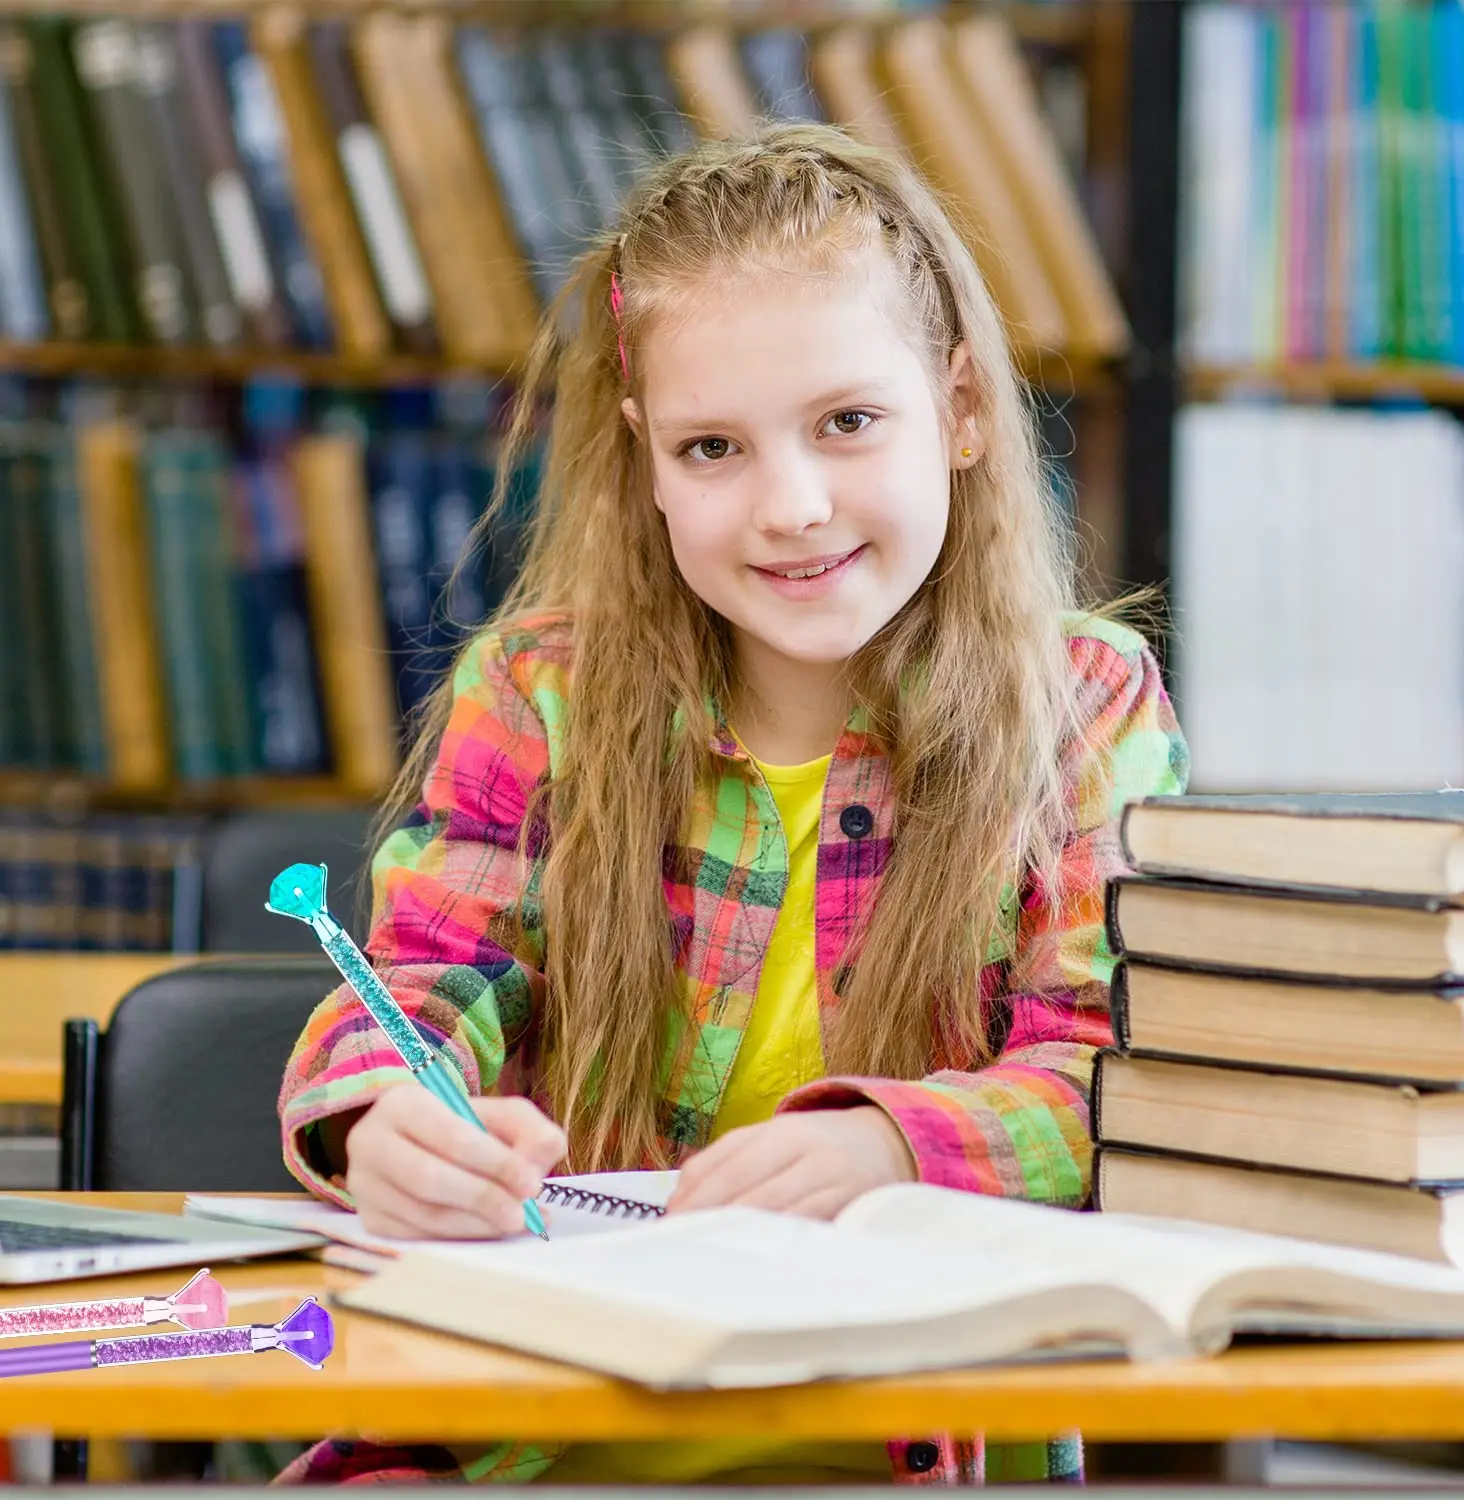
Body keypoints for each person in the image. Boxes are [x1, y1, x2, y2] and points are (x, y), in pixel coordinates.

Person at [275, 120, 1189, 1488]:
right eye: (714, 449)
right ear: (645, 460)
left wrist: (894, 1144)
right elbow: (420, 981)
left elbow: (1118, 1070)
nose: (793, 505)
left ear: (961, 409)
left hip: (898, 1448)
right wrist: (386, 1120)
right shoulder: (537, 694)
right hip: (522, 1439)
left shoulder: (1085, 705)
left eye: (848, 422)